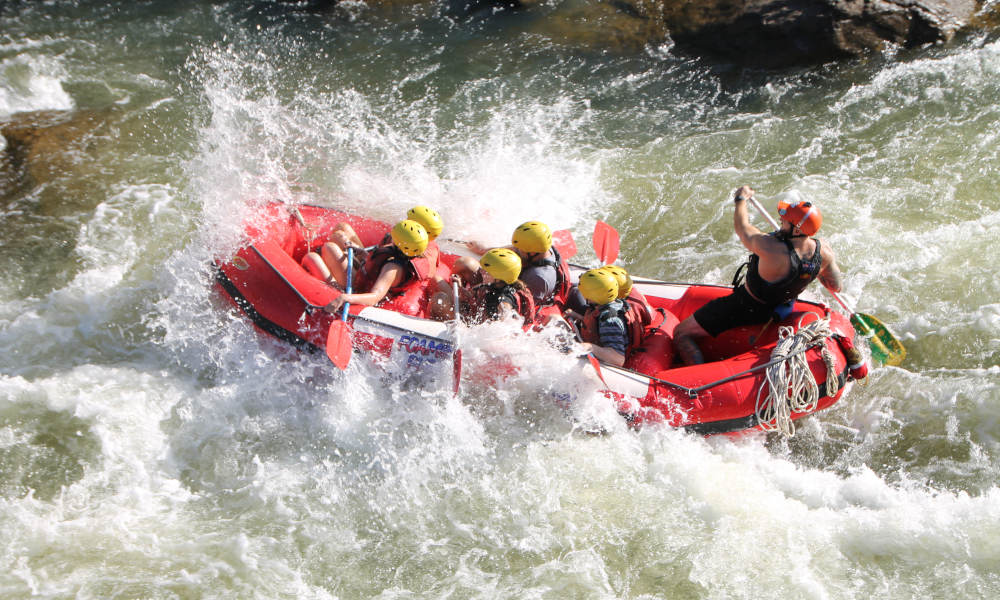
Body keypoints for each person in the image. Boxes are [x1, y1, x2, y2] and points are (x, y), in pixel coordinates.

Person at [673, 185, 843, 365]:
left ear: (797, 230)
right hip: (782, 307)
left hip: (747, 307)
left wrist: (740, 200)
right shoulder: (823, 252)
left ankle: (695, 384)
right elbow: (835, 286)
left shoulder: (771, 248)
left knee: (681, 333)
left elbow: (743, 228)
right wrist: (809, 271)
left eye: (785, 221)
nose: (781, 220)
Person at [318, 219, 433, 313]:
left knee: (328, 249)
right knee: (342, 228)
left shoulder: (392, 268)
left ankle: (320, 260)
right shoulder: (408, 253)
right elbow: (377, 266)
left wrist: (344, 298)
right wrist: (363, 254)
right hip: (367, 275)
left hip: (359, 288)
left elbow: (375, 297)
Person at [575, 268, 652, 367]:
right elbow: (596, 325)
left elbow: (618, 359)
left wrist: (589, 347)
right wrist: (578, 317)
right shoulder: (615, 303)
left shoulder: (609, 320)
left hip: (616, 357)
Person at [462, 248, 536, 324]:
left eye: (485, 271)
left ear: (497, 277)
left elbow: (504, 325)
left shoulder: (504, 301)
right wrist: (459, 288)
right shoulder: (497, 285)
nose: (480, 271)